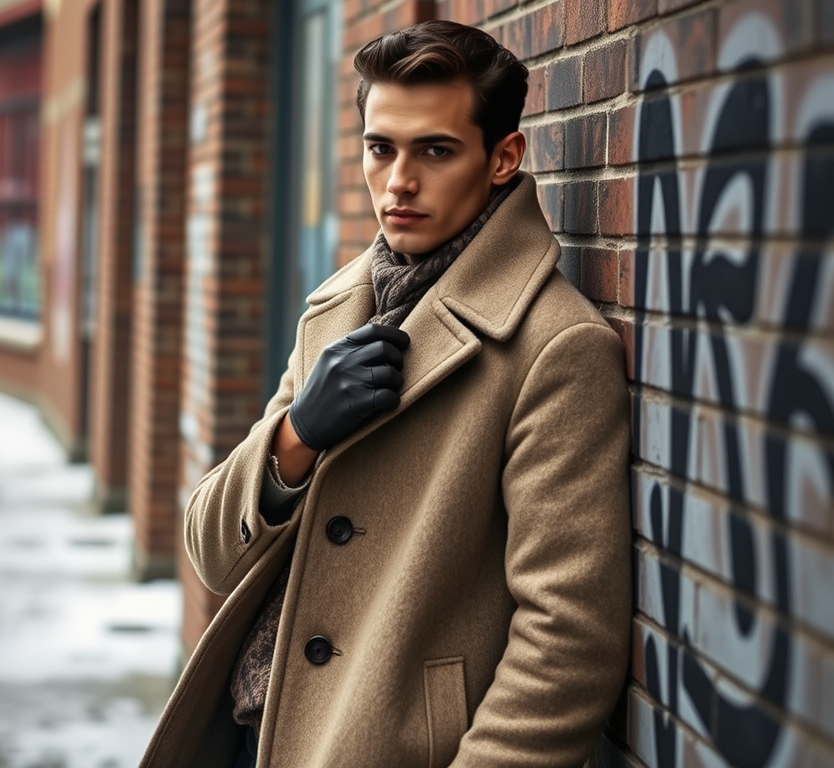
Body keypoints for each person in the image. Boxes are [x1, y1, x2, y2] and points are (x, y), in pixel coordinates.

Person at [138, 19, 631, 768]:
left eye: (435, 150)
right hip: (257, 737)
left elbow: (569, 641)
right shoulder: (340, 307)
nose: (399, 181)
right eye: (380, 148)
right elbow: (210, 552)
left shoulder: (554, 347)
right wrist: (297, 437)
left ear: (503, 158)